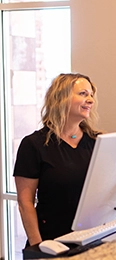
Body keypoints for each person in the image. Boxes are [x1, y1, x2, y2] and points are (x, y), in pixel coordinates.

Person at [14, 73, 103, 247]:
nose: (91, 100)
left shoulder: (98, 142)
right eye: (83, 94)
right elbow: (25, 203)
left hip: (93, 241)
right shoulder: (33, 145)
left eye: (91, 94)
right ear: (61, 98)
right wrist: (37, 246)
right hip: (52, 243)